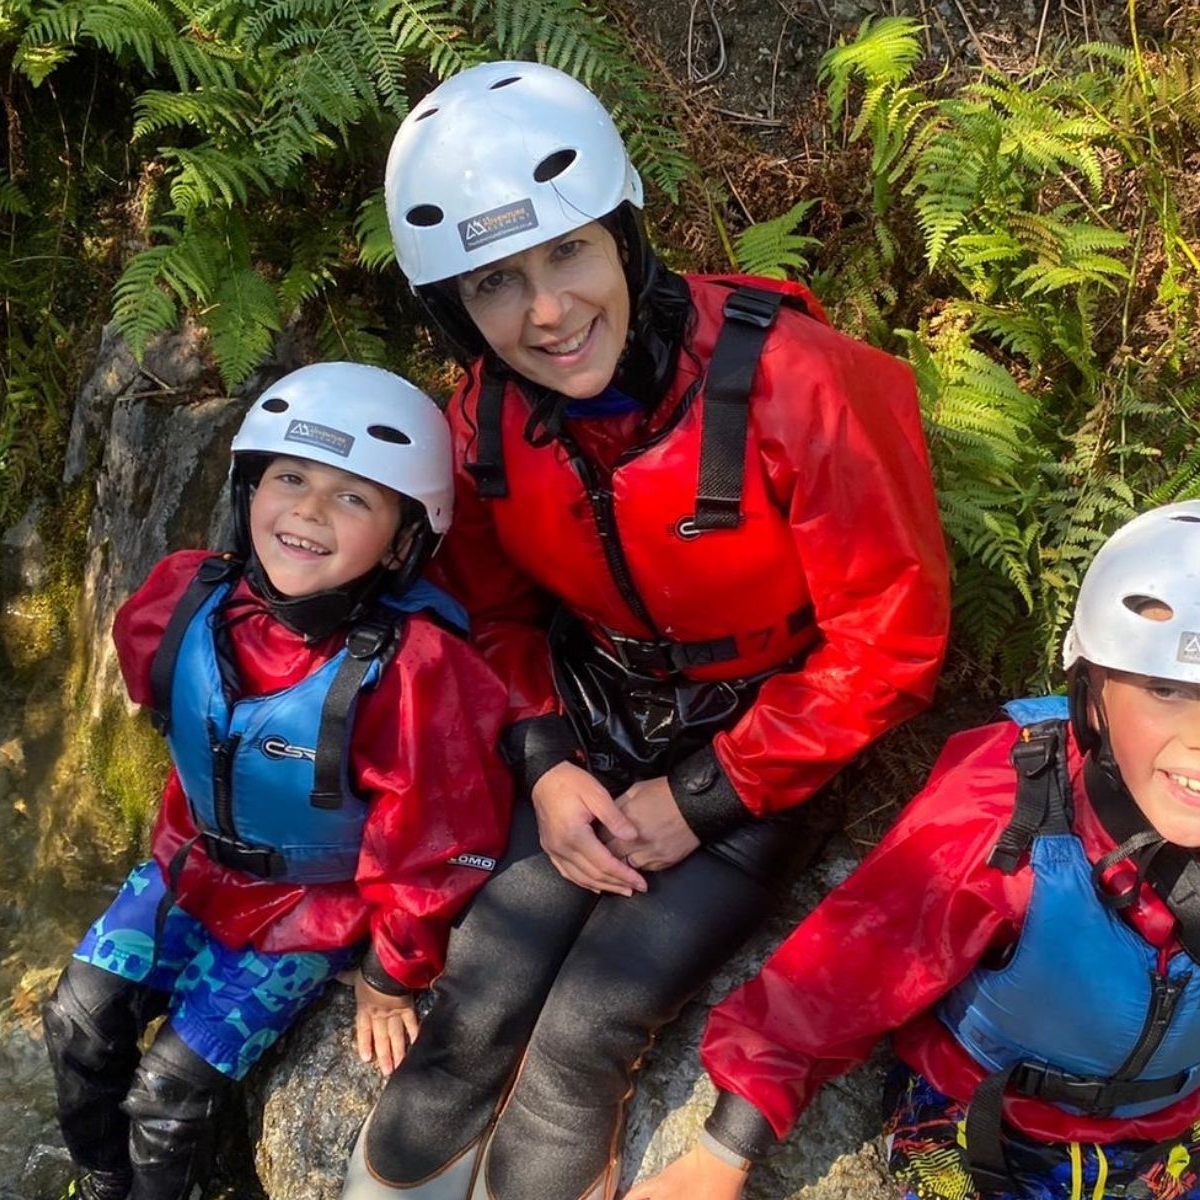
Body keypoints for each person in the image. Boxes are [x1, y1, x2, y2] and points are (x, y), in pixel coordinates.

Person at [341, 61, 952, 1200]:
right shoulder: (484, 426)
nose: (548, 312)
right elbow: (499, 613)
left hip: (766, 731)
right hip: (594, 712)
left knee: (591, 1021)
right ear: (455, 313)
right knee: (478, 988)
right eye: (495, 286)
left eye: (568, 252)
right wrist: (549, 764)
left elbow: (891, 634)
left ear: (625, 235)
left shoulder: (806, 384)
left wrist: (710, 794)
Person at [627, 498, 1200, 1200]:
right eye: (1165, 688)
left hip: (1168, 1129)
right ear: (1091, 695)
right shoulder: (996, 820)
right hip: (974, 1118)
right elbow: (840, 977)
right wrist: (721, 1154)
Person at [42, 363, 515, 1200]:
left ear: (404, 541)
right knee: (77, 1018)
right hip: (187, 869)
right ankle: (100, 1183)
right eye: (290, 478)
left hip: (310, 910)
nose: (307, 511)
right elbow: (159, 690)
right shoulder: (184, 598)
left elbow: (439, 848)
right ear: (248, 487)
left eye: (353, 498)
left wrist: (388, 975)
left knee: (169, 1094)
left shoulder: (416, 673)